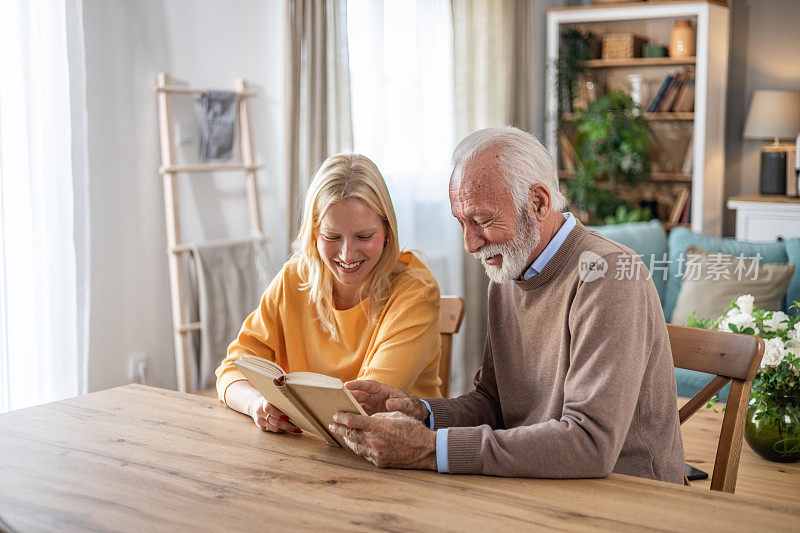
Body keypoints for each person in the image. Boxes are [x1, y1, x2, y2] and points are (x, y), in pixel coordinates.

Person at [329, 126, 685, 483]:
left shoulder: (607, 277)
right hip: (539, 484)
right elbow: (495, 404)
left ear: (539, 203)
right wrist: (421, 412)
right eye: (461, 223)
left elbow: (589, 444)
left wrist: (430, 448)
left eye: (482, 220)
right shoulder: (509, 271)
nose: (470, 243)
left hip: (626, 497)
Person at [216, 153, 443, 434]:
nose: (347, 255)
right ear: (313, 233)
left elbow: (365, 408)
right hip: (313, 449)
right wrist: (257, 404)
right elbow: (232, 368)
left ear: (387, 231)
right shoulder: (293, 279)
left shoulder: (416, 292)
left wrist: (288, 408)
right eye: (332, 237)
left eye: (364, 237)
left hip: (399, 456)